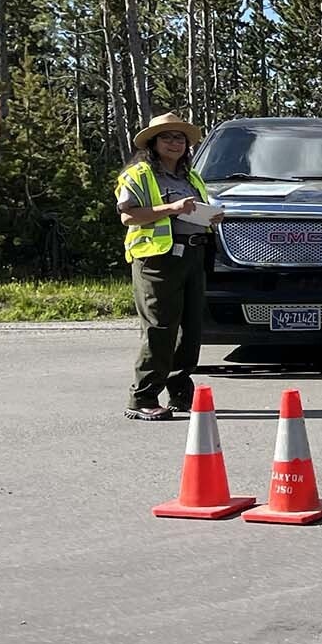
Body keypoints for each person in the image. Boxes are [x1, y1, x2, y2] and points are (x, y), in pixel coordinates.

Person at [115, 112, 223, 420]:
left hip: (193, 255)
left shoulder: (191, 177)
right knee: (159, 328)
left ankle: (179, 393)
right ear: (152, 142)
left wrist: (211, 216)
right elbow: (128, 215)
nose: (174, 143)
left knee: (189, 329)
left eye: (180, 138)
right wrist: (171, 209)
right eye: (167, 137)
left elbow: (195, 211)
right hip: (156, 259)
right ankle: (143, 397)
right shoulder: (138, 173)